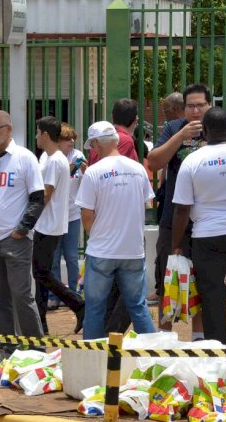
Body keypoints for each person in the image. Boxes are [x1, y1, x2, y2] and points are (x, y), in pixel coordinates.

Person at [148, 85, 226, 337]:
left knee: (205, 282)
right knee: (169, 277)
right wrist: (180, 136)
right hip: (174, 217)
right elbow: (154, 162)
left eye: (201, 105)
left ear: (209, 106)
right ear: (183, 108)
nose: (196, 110)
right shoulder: (173, 128)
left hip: (209, 224)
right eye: (191, 105)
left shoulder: (225, 131)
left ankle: (199, 338)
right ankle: (165, 336)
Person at [170, 107, 226, 343]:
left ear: (204, 131)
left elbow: (182, 208)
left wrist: (176, 244)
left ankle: (217, 350)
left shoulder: (193, 160)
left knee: (213, 299)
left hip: (206, 237)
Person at [76, 122, 157, 339]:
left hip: (102, 251)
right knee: (138, 307)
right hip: (132, 250)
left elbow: (86, 214)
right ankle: (153, 356)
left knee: (95, 309)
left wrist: (98, 237)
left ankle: (91, 360)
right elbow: (146, 204)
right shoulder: (138, 169)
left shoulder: (93, 172)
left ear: (96, 144)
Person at [0, 110, 46, 368]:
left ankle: (36, 349)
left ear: (9, 129)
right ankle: (7, 348)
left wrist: (22, 229)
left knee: (21, 294)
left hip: (15, 239)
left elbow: (38, 198)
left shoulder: (25, 158)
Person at [32, 116, 84, 334]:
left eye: (37, 132)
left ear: (45, 135)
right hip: (49, 224)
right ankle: (41, 322)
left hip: (47, 224)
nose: (35, 137)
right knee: (40, 273)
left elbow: (46, 194)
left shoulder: (54, 160)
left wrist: (27, 219)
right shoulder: (53, 158)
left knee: (42, 274)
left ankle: (78, 304)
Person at [49, 123, 84, 310]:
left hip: (72, 214)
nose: (71, 142)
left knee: (71, 257)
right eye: (67, 139)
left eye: (73, 139)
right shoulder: (50, 158)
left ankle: (74, 294)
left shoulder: (78, 156)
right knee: (54, 258)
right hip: (55, 215)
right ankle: (55, 295)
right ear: (58, 141)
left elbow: (86, 181)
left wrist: (84, 170)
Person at [87, 98, 139, 165]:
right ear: (135, 119)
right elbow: (115, 168)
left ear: (112, 116)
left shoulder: (99, 136)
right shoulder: (126, 140)